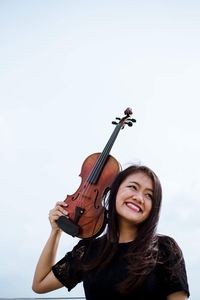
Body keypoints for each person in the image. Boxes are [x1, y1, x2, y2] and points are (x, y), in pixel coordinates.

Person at [32, 164, 190, 299]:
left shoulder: (165, 248)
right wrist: (55, 232)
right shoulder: (88, 250)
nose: (139, 198)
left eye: (149, 195)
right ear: (114, 192)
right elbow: (40, 284)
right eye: (132, 187)